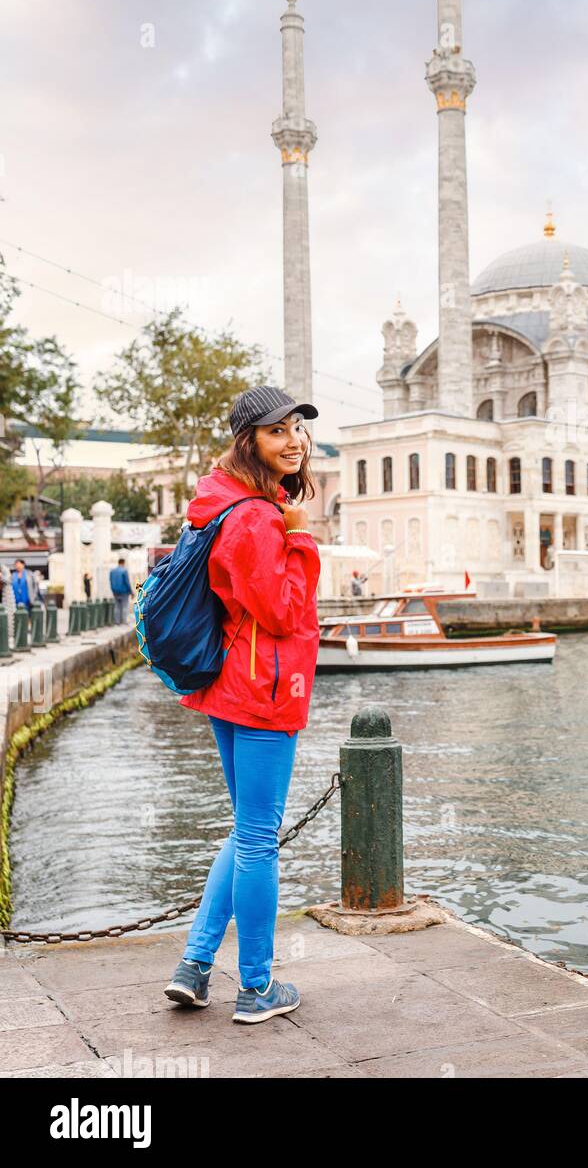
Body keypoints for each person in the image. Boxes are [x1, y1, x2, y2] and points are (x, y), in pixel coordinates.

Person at [162, 385, 320, 1025]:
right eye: (277, 431)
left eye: (298, 430)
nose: (294, 441)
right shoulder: (255, 517)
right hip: (264, 689)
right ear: (248, 440)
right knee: (259, 838)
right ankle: (256, 988)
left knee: (246, 829)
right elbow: (281, 609)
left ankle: (195, 967)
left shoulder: (221, 503)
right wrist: (302, 542)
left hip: (230, 682)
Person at [109, 558, 132, 624]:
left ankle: (117, 622)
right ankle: (124, 621)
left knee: (117, 607)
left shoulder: (112, 571)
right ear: (123, 563)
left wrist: (113, 590)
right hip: (124, 592)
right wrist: (131, 591)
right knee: (125, 606)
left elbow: (110, 581)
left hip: (115, 591)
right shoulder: (124, 571)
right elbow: (127, 582)